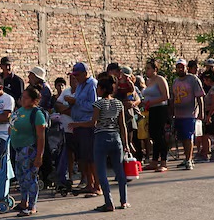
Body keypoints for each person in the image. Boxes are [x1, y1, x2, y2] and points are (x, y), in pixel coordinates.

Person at [80, 74, 132, 212]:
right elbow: (122, 126)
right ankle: (124, 200)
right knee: (120, 171)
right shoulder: (118, 103)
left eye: (98, 88)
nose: (97, 90)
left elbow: (93, 123)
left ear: (102, 89)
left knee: (101, 172)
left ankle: (109, 202)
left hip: (101, 138)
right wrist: (126, 143)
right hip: (116, 138)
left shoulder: (98, 104)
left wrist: (77, 124)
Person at [9, 87, 47, 217]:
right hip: (18, 149)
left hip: (29, 149)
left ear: (34, 100)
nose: (23, 100)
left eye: (26, 97)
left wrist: (39, 156)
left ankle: (32, 205)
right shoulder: (19, 111)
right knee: (20, 176)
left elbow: (41, 136)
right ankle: (23, 201)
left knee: (30, 177)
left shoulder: (37, 114)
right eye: (22, 97)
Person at [65, 63, 99, 193]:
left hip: (88, 125)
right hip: (78, 124)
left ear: (85, 73)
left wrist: (76, 102)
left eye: (77, 75)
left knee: (91, 157)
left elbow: (93, 106)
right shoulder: (79, 86)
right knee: (83, 157)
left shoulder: (92, 85)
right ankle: (89, 184)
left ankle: (97, 185)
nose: (76, 78)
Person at [170, 60, 204, 170]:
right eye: (178, 67)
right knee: (183, 138)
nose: (180, 69)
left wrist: (201, 112)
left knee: (189, 136)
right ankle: (187, 158)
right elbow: (172, 98)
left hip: (190, 113)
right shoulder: (175, 81)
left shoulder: (193, 79)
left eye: (182, 67)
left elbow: (199, 96)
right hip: (178, 114)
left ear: (186, 68)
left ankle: (189, 160)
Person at [142, 60, 171, 172]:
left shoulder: (160, 79)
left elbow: (166, 96)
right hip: (151, 110)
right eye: (146, 68)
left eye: (149, 68)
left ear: (155, 69)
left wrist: (151, 102)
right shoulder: (148, 81)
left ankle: (163, 161)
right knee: (153, 134)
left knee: (160, 135)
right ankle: (154, 160)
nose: (147, 71)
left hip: (160, 109)